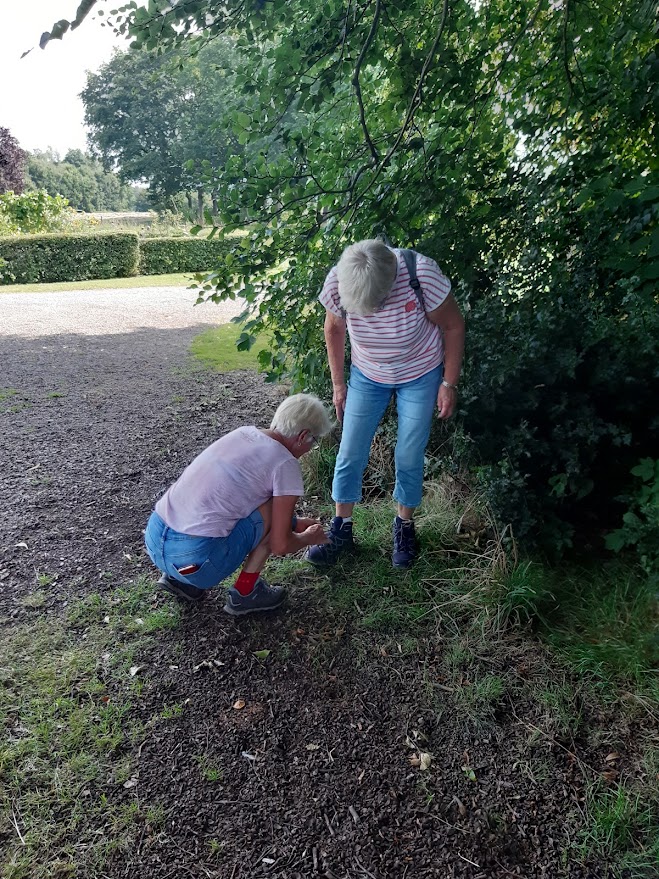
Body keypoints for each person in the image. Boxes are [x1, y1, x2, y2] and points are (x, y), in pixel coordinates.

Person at [306, 239, 465, 569]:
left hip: (420, 373)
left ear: (390, 282)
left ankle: (404, 525)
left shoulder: (420, 274)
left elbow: (453, 325)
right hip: (367, 374)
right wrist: (338, 385)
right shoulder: (340, 279)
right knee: (350, 450)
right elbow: (334, 328)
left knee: (408, 453)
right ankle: (342, 531)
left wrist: (449, 382)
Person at [145, 393, 333, 615]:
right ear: (303, 436)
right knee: (273, 516)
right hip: (195, 561)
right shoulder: (285, 463)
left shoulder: (242, 433)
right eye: (315, 440)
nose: (312, 447)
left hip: (155, 540)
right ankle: (246, 593)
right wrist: (308, 538)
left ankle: (181, 581)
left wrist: (292, 523)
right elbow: (280, 545)